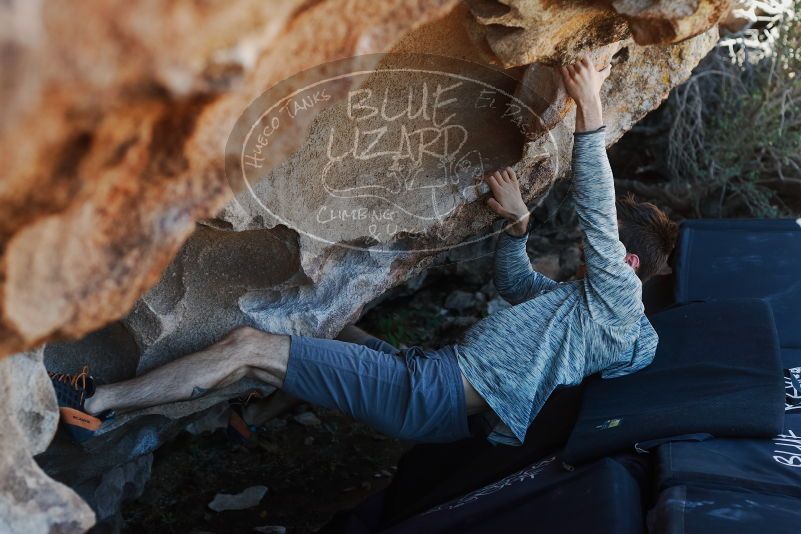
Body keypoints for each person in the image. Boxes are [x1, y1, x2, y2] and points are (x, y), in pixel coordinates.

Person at [48, 56, 678, 445]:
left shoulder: (619, 302)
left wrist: (590, 106)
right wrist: (516, 231)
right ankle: (255, 421)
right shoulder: (592, 313)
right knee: (333, 321)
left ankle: (97, 403)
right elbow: (518, 288)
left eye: (605, 250)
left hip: (429, 390)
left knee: (245, 347)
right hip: (439, 392)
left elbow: (597, 211)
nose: (585, 249)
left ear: (628, 265)